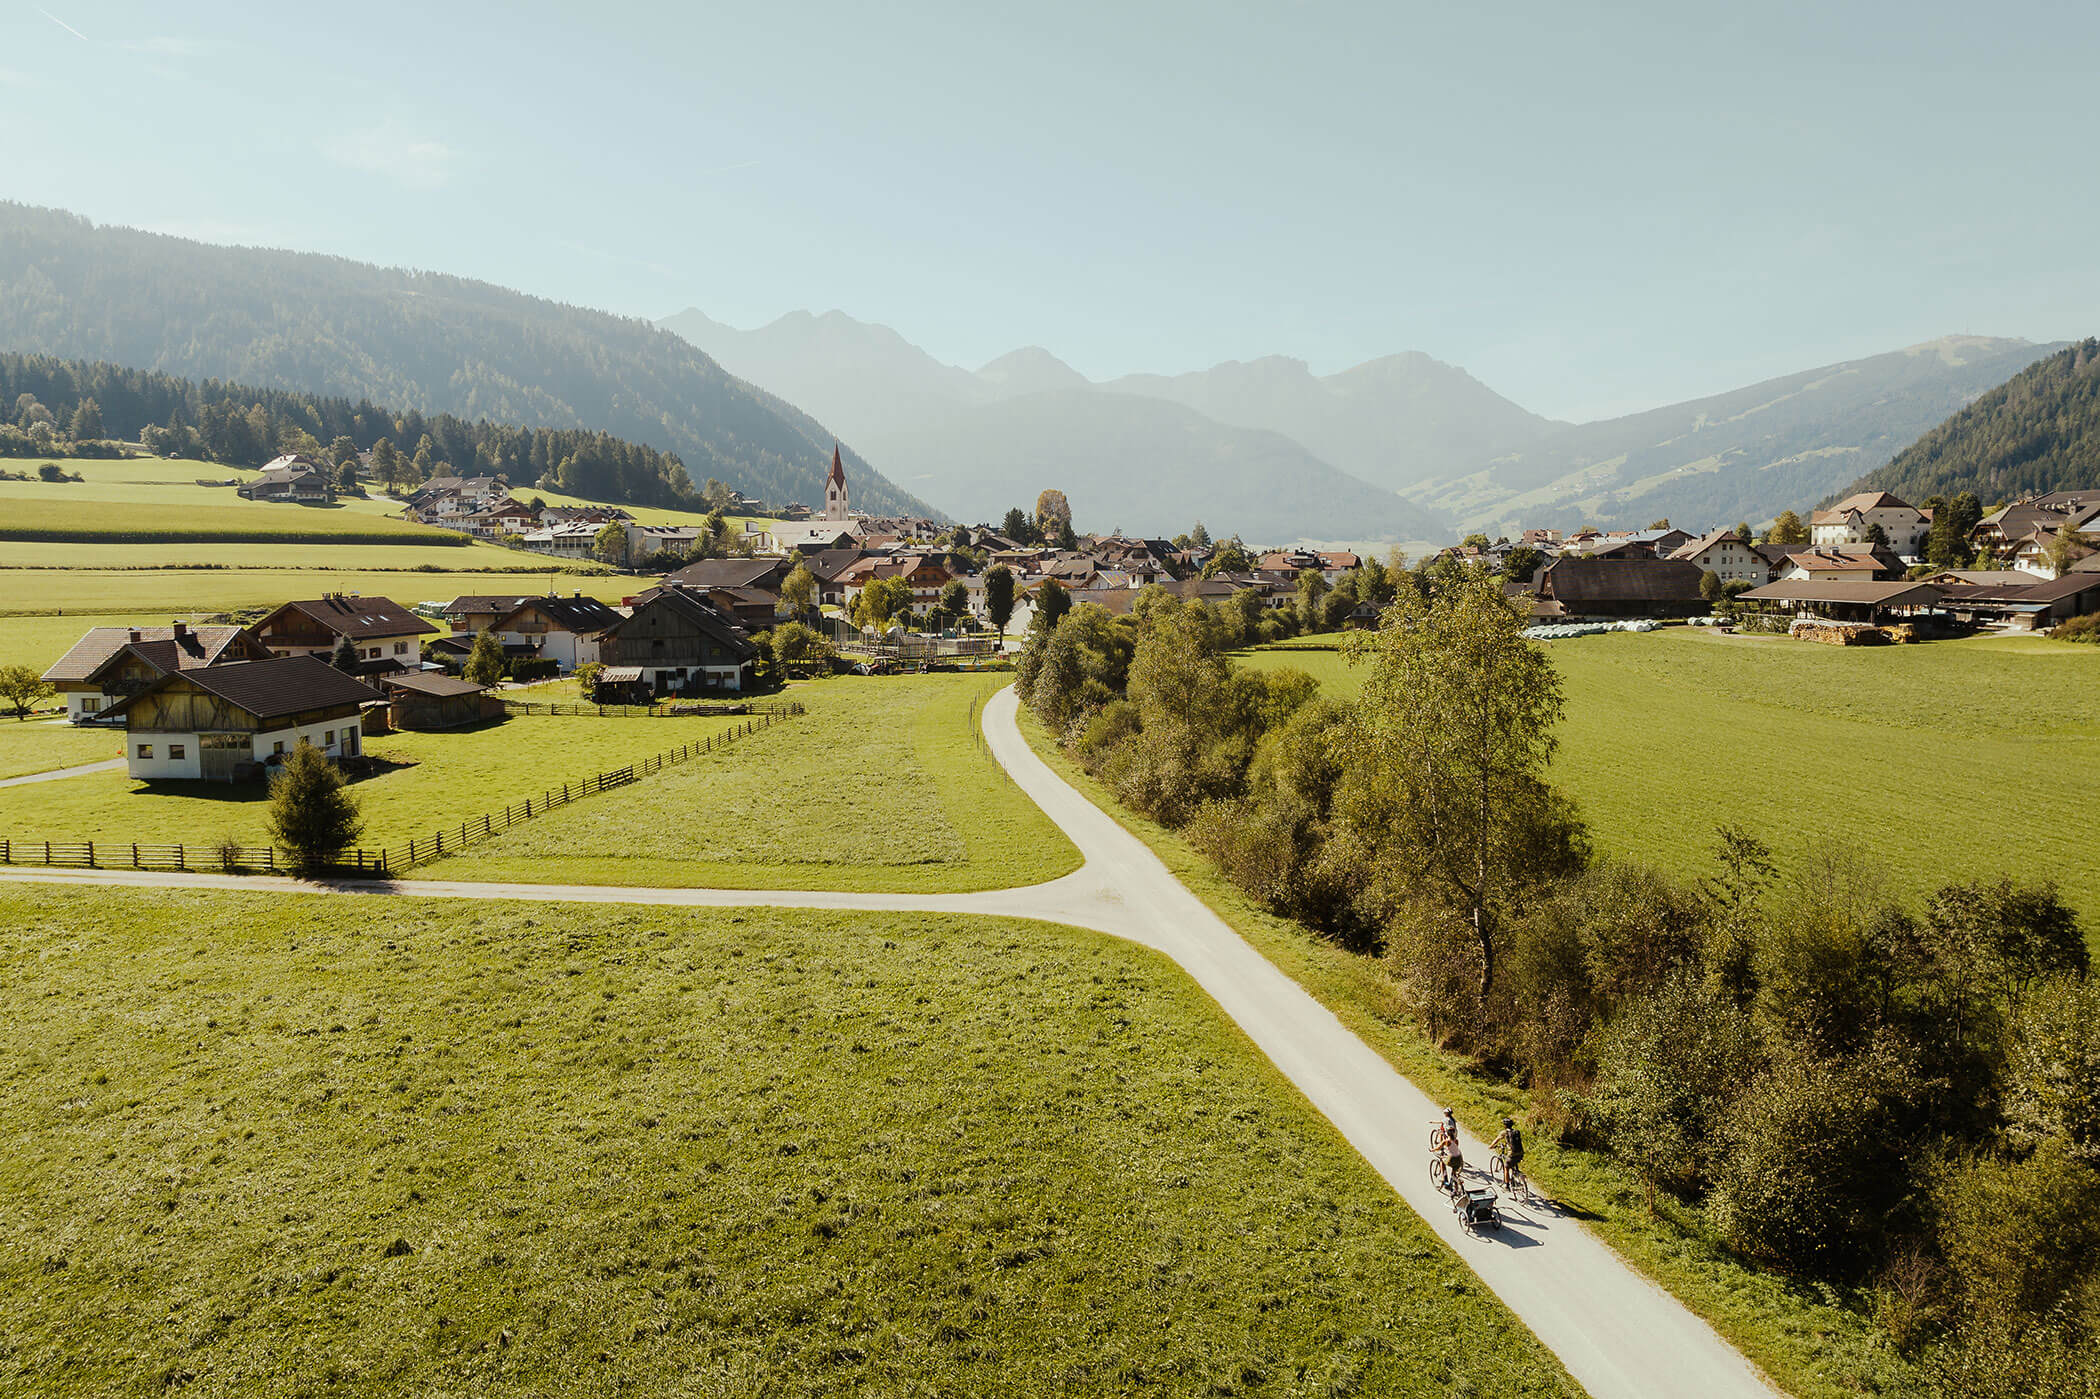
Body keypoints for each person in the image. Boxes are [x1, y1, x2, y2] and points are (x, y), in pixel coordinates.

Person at [1437, 1109, 1464, 1194]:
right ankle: (1455, 1189)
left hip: (1452, 1158)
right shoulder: (1456, 1140)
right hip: (1459, 1159)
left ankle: (1445, 1180)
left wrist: (1432, 1150)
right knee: (1454, 1173)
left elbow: (1438, 1148)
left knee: (1442, 1162)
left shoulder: (1446, 1141)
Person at [1493, 1116, 1524, 1189]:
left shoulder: (1504, 1132)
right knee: (1514, 1161)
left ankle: (1507, 1186)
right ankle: (1516, 1173)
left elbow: (1496, 1140)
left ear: (1504, 1125)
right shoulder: (1516, 1132)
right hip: (1521, 1153)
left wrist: (1491, 1146)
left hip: (1512, 1154)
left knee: (1506, 1168)